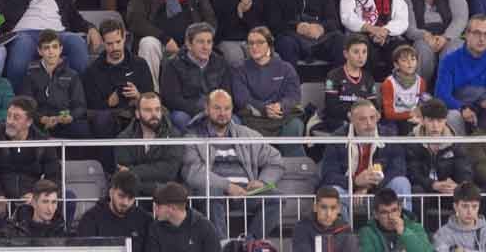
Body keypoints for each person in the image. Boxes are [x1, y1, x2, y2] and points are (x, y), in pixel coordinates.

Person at [182, 88, 283, 239]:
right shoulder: (193, 137)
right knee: (211, 193)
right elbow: (193, 172)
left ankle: (249, 243)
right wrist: (227, 186)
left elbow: (275, 160)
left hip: (246, 192)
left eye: (227, 108)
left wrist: (263, 181)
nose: (222, 113)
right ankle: (222, 245)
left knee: (276, 199)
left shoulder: (247, 135)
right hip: (215, 192)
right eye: (217, 108)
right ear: (207, 109)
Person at [0, 97, 64, 221]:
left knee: (65, 197)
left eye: (16, 117)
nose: (10, 121)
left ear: (29, 122)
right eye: (8, 116)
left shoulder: (42, 141)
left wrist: (37, 195)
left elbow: (54, 174)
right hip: (0, 194)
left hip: (31, 196)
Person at [434, 13, 486, 134]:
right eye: (477, 33)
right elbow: (441, 94)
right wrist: (462, 108)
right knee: (452, 117)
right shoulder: (449, 60)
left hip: (483, 109)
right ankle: (460, 152)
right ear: (467, 35)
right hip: (457, 109)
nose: (482, 39)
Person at [147, 181, 221, 252]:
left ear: (172, 208)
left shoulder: (204, 227)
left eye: (158, 206)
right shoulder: (155, 229)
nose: (154, 209)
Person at [434, 182, 486, 252]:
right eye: (465, 206)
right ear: (455, 206)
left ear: (479, 207)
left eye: (474, 206)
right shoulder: (442, 234)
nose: (470, 211)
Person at [293, 186, 359, 252]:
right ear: (315, 207)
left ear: (339, 209)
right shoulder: (302, 228)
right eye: (323, 207)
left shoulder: (346, 230)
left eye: (333, 208)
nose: (328, 214)